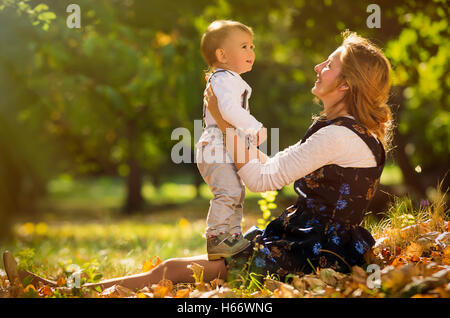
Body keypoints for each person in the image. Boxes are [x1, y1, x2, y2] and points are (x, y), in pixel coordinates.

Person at [3, 30, 392, 292]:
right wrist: (230, 132)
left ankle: (57, 292)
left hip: (311, 254)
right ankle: (56, 290)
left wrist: (224, 125)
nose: (317, 67)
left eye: (329, 64)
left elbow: (261, 180)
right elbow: (269, 165)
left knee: (173, 271)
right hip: (308, 242)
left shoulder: (339, 135)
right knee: (170, 269)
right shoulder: (345, 131)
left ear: (345, 84)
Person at [196, 20, 267, 260]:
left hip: (225, 143)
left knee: (237, 191)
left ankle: (233, 238)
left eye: (252, 46)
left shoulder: (229, 78)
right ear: (222, 54)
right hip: (216, 144)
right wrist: (254, 126)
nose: (251, 52)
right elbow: (226, 110)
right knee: (228, 191)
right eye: (244, 46)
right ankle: (216, 237)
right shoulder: (224, 78)